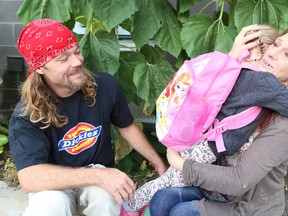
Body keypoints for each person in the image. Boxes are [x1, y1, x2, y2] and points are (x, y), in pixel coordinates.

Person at [120, 24, 288, 215]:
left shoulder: (281, 120)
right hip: (215, 189)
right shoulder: (241, 79)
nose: (272, 54)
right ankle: (133, 206)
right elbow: (203, 97)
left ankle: (132, 207)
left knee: (182, 211)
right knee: (162, 198)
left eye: (287, 54)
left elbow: (238, 180)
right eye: (275, 44)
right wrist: (232, 57)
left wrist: (179, 162)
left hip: (248, 207)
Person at [8, 18, 167, 216]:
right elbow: (30, 178)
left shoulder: (105, 85)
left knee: (108, 198)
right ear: (40, 68)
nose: (77, 61)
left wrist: (160, 164)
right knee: (51, 205)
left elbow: (126, 126)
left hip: (97, 174)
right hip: (54, 183)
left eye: (76, 51)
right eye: (63, 58)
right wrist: (97, 175)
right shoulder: (26, 115)